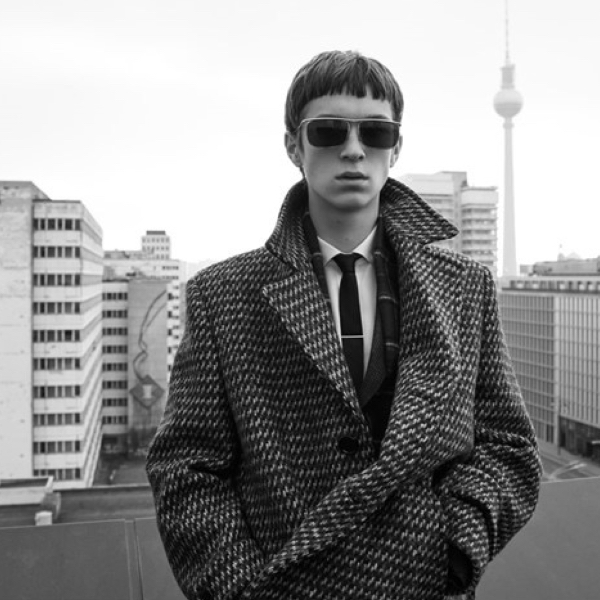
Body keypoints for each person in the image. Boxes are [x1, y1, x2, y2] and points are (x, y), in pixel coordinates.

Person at [146, 50, 542, 600]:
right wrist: (240, 589)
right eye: (329, 130)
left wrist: (454, 546)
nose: (354, 149)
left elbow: (508, 445)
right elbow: (186, 468)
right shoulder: (223, 295)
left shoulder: (463, 287)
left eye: (375, 133)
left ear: (395, 148)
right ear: (294, 146)